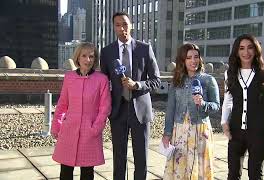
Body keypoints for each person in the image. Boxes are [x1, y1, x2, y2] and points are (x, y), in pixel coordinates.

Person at [100, 12, 161, 180]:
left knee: (141, 158)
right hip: (118, 111)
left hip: (140, 111)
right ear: (113, 27)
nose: (122, 28)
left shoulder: (144, 48)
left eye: (125, 24)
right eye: (118, 25)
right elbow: (104, 84)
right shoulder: (106, 52)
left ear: (131, 25)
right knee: (119, 158)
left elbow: (156, 81)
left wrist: (138, 85)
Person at [221, 34, 264, 180]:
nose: (246, 52)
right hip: (235, 131)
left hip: (259, 132)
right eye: (241, 48)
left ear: (256, 50)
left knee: (255, 174)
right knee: (233, 174)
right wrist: (224, 122)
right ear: (236, 51)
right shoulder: (230, 73)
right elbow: (228, 100)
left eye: (250, 48)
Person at [51, 42, 111, 180]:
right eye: (84, 56)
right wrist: (56, 125)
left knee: (87, 173)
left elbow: (105, 107)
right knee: (65, 172)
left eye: (91, 56)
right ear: (78, 57)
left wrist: (95, 129)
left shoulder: (102, 79)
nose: (88, 60)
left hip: (89, 131)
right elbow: (62, 104)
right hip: (69, 129)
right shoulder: (69, 77)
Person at [162, 43, 220, 179]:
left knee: (199, 172)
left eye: (196, 57)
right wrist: (167, 133)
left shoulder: (208, 80)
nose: (193, 61)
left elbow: (216, 106)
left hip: (201, 131)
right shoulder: (177, 81)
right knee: (180, 171)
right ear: (183, 60)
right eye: (189, 58)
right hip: (180, 131)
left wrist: (204, 103)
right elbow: (170, 110)